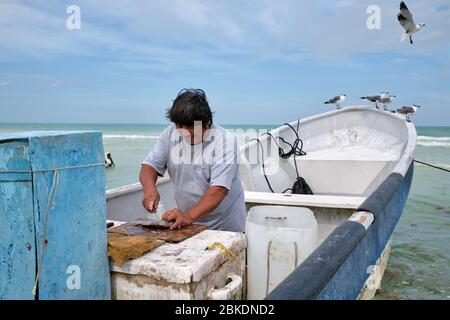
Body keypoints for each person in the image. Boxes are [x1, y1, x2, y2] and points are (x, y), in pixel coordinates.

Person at [139, 88, 246, 232]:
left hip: (224, 224)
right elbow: (149, 166)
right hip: (188, 222)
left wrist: (188, 215)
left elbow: (219, 190)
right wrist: (150, 190)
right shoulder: (170, 132)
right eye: (179, 126)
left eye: (190, 129)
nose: (183, 132)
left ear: (207, 123)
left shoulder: (225, 141)